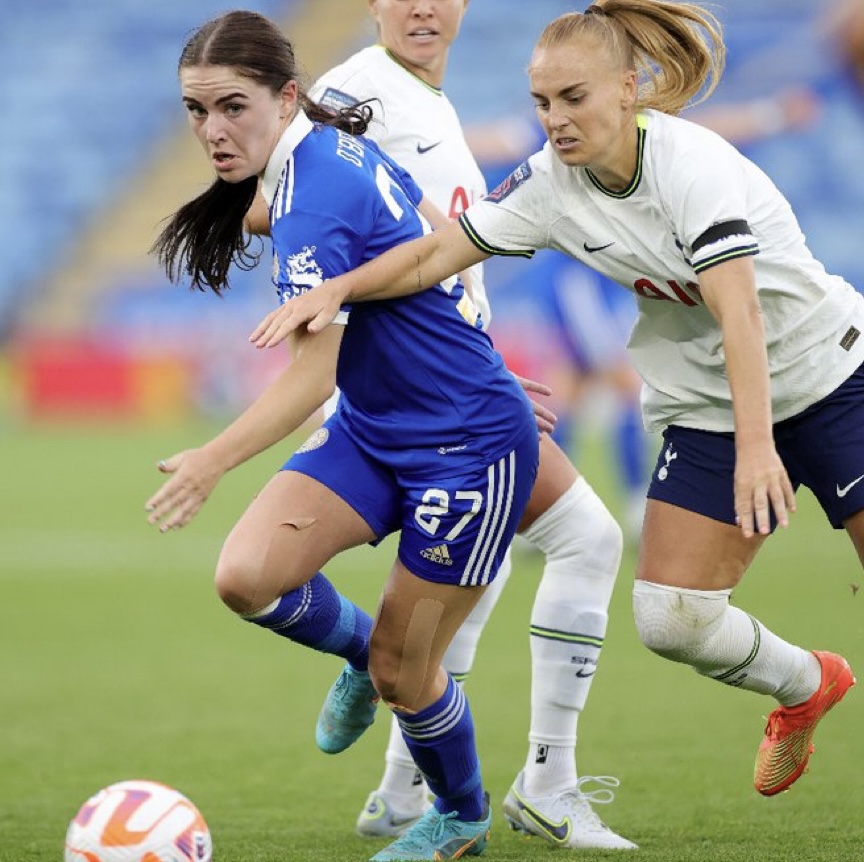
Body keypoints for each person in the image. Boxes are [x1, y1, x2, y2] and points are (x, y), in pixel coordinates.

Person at [251, 0, 860, 802]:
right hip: (709, 407)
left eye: (574, 97)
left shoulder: (690, 165)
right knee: (671, 619)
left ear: (629, 88)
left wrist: (759, 450)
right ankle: (808, 685)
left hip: (832, 376)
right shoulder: (548, 183)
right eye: (542, 102)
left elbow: (740, 313)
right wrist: (338, 289)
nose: (556, 119)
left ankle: (466, 787)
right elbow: (433, 256)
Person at [144, 11, 542, 861]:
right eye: (196, 110)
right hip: (375, 428)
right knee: (248, 578)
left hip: (466, 447)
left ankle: (461, 815)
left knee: (410, 671)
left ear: (287, 97)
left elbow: (312, 376)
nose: (213, 130)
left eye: (233, 107)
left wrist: (212, 460)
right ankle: (364, 655)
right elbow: (435, 231)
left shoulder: (315, 192)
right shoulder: (321, 154)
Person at [261, 0, 634, 849]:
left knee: (478, 575)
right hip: (417, 395)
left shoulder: (422, 97)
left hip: (449, 380)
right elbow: (269, 201)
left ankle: (402, 791)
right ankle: (543, 786)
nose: (422, 5)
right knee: (582, 541)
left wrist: (479, 355)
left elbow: (434, 248)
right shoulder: (356, 92)